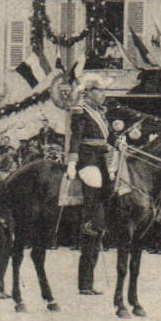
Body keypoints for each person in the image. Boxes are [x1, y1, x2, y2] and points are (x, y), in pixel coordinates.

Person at [67, 76, 111, 296]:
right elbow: (76, 137)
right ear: (90, 91)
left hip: (102, 158)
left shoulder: (101, 112)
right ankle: (87, 221)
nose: (103, 94)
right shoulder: (81, 110)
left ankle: (101, 221)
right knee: (93, 182)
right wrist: (72, 161)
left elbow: (103, 139)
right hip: (87, 159)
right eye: (100, 91)